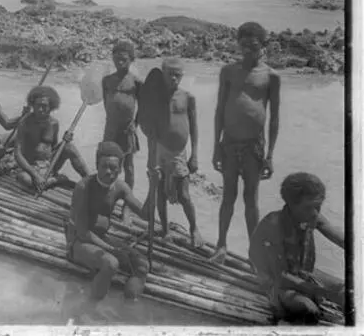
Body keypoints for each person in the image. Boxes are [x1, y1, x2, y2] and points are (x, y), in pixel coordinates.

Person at [210, 22, 281, 264]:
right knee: (228, 197)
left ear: (263, 46)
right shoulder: (228, 71)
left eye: (253, 46)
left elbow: (274, 119)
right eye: (244, 46)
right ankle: (221, 245)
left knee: (251, 200)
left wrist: (270, 154)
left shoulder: (271, 76)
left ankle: (255, 252)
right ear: (238, 45)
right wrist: (215, 146)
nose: (248, 51)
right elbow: (219, 110)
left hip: (254, 146)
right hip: (229, 143)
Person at [249, 173, 345, 325]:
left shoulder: (310, 215)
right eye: (309, 207)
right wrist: (321, 292)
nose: (315, 212)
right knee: (308, 309)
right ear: (291, 205)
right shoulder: (273, 225)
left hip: (303, 273)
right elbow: (280, 275)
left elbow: (339, 236)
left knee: (346, 290)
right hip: (277, 282)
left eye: (318, 206)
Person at [65, 142, 150, 303]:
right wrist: (110, 248)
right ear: (97, 165)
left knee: (142, 265)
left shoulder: (120, 187)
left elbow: (145, 214)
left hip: (101, 239)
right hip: (78, 242)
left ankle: (128, 305)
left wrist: (153, 187)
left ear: (120, 169)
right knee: (111, 263)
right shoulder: (84, 187)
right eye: (104, 166)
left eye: (113, 168)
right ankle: (90, 307)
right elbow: (83, 232)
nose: (108, 172)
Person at [147, 58, 203, 248]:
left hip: (179, 152)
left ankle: (194, 229)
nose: (173, 78)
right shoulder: (156, 98)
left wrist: (194, 155)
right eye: (169, 74)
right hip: (160, 150)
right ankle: (165, 230)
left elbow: (195, 128)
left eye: (177, 75)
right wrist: (151, 159)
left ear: (182, 76)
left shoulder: (188, 97)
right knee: (160, 193)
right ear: (162, 74)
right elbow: (149, 127)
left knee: (184, 195)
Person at [15, 86, 89, 193]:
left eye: (44, 106)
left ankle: (90, 181)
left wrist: (64, 142)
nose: (40, 109)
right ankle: (57, 180)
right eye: (37, 105)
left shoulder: (54, 123)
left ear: (51, 107)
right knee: (24, 179)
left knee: (70, 147)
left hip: (49, 165)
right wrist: (35, 175)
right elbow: (17, 153)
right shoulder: (25, 123)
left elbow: (52, 148)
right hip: (31, 168)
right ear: (33, 105)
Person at [101, 41, 143, 193]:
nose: (120, 62)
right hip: (111, 127)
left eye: (124, 59)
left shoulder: (136, 82)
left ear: (131, 60)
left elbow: (143, 106)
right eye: (117, 58)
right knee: (107, 162)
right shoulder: (106, 81)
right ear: (112, 59)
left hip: (127, 128)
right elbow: (106, 103)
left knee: (128, 165)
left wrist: (135, 123)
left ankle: (127, 200)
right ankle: (107, 194)